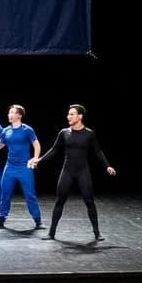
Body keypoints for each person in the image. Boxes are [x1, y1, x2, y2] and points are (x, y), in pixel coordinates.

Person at [38, 103, 117, 242]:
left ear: (80, 116)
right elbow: (54, 150)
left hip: (82, 171)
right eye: (68, 114)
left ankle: (97, 233)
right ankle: (51, 233)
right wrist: (39, 160)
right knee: (60, 200)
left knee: (89, 200)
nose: (68, 116)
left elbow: (98, 151)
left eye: (72, 114)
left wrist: (107, 166)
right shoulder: (63, 132)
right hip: (67, 170)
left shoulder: (89, 133)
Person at [0, 104, 43, 230]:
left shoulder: (27, 130)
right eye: (9, 112)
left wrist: (35, 159)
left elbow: (37, 145)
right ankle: (1, 219)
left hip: (24, 167)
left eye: (12, 112)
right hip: (10, 168)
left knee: (30, 194)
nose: (9, 115)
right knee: (5, 194)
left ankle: (38, 221)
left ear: (19, 115)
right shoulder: (6, 131)